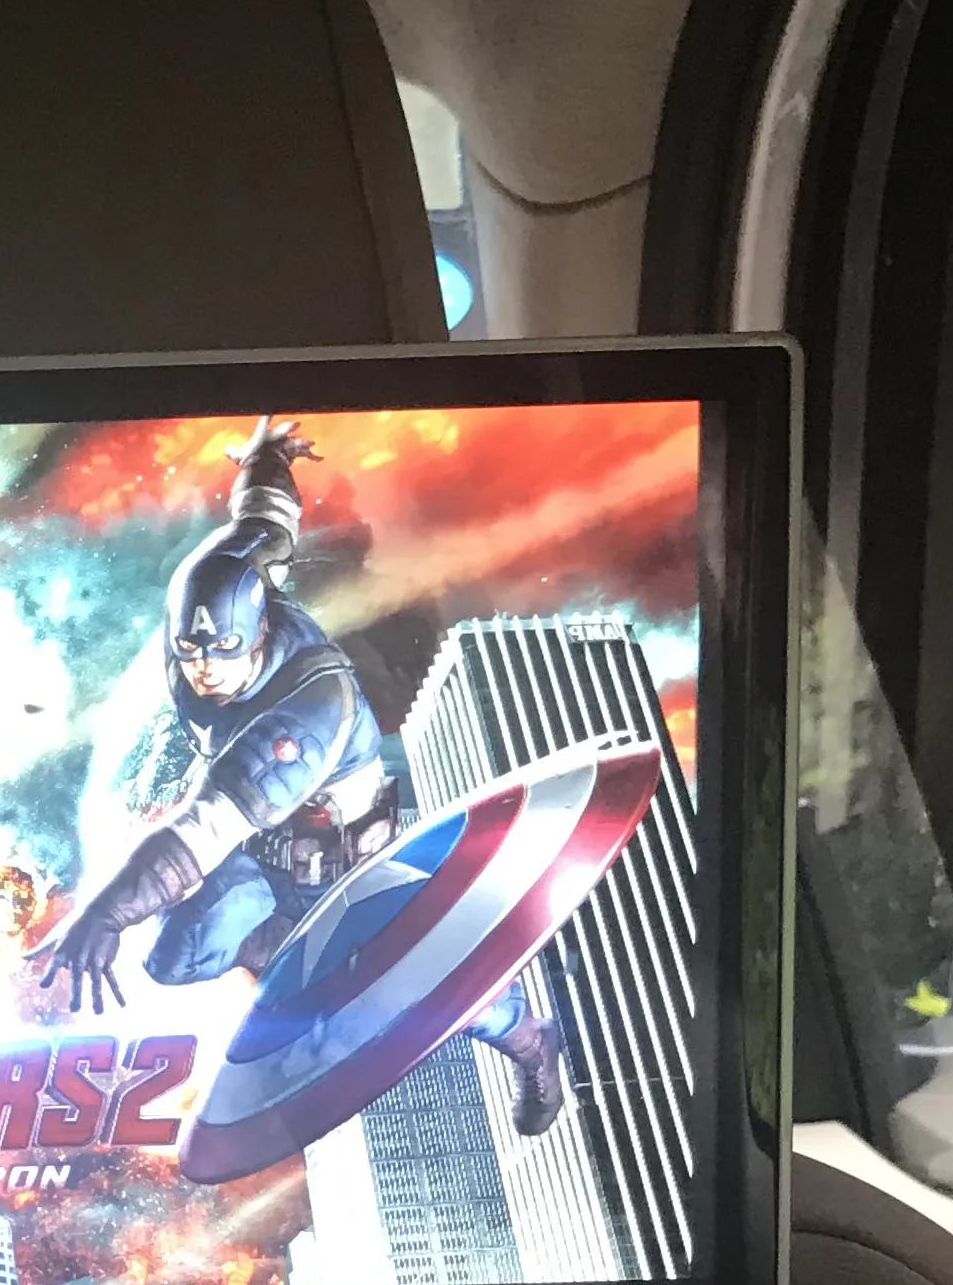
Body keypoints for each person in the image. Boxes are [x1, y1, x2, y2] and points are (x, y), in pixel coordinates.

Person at [30, 418, 566, 1136]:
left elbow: (203, 830)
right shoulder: (213, 592)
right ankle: (283, 956)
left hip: (342, 869)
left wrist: (106, 913)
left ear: (258, 631)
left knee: (418, 987)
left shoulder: (311, 705)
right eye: (192, 652)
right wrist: (266, 462)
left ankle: (531, 1042)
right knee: (174, 958)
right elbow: (264, 527)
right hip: (259, 858)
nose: (205, 670)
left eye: (223, 651)